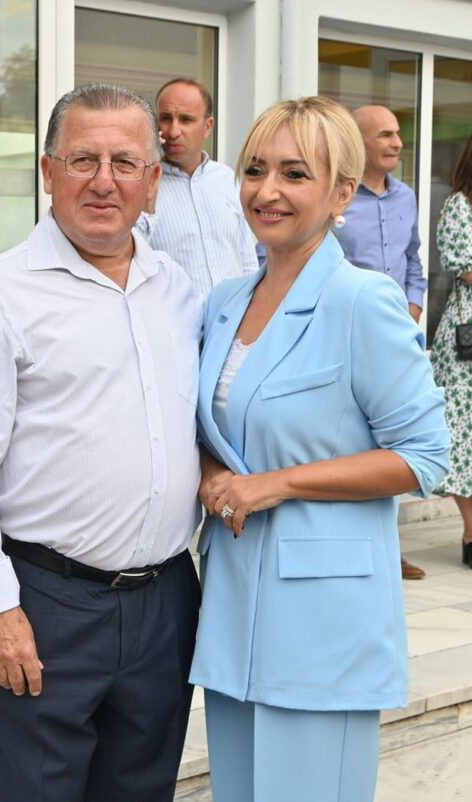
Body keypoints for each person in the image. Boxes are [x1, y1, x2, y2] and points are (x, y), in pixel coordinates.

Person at [0, 83, 203, 802]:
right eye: (83, 160)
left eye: (124, 162)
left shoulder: (179, 292)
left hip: (167, 602)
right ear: (49, 173)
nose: (104, 181)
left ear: (153, 181)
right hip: (49, 605)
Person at [193, 96, 449, 802]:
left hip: (323, 617)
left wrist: (277, 484)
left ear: (341, 194)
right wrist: (213, 472)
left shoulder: (363, 300)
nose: (267, 190)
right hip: (232, 602)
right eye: (254, 169)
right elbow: (218, 433)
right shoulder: (223, 302)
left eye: (294, 173)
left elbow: (426, 455)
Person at [334, 104, 430, 580]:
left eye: (398, 134)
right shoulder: (336, 199)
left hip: (397, 337)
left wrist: (411, 311)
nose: (397, 143)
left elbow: (414, 262)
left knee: (393, 443)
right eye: (386, 135)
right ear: (359, 141)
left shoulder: (406, 197)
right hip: (346, 338)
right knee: (352, 442)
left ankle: (389, 548)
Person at [137, 78, 258, 296]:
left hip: (232, 314)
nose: (173, 131)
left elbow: (247, 259)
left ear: (207, 127)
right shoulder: (143, 184)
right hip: (173, 315)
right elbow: (131, 259)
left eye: (186, 119)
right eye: (166, 118)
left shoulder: (227, 179)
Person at [429, 133, 472, 568]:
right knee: (463, 434)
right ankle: (471, 532)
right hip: (466, 339)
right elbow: (463, 267)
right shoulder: (459, 204)